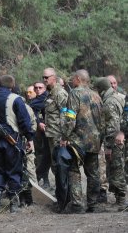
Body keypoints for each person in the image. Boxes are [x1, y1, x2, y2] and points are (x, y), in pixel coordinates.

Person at [0, 75, 34, 213]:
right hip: (12, 141)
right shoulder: (16, 99)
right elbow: (24, 121)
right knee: (14, 171)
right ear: (12, 85)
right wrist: (30, 138)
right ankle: (13, 205)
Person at [60, 69, 102, 214]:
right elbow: (102, 120)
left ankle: (77, 204)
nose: (71, 81)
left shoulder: (74, 94)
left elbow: (70, 119)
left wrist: (64, 136)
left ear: (78, 79)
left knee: (73, 170)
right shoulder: (97, 96)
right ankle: (93, 204)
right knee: (93, 173)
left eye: (72, 78)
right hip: (95, 141)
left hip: (78, 141)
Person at [94, 77, 126, 210]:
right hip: (118, 139)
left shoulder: (109, 102)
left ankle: (122, 201)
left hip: (114, 142)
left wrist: (108, 147)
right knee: (116, 169)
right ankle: (120, 199)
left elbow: (112, 126)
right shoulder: (116, 97)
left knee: (116, 170)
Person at [42, 68, 68, 175]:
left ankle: (65, 191)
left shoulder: (60, 93)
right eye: (43, 77)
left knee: (60, 165)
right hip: (51, 134)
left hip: (58, 135)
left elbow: (66, 116)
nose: (44, 80)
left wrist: (64, 137)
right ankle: (60, 189)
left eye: (46, 77)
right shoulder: (50, 93)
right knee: (55, 165)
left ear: (54, 77)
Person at [31, 82, 51, 189]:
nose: (38, 89)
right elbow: (32, 114)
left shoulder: (47, 98)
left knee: (47, 157)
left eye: (40, 87)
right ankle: (38, 178)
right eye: (36, 88)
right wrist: (38, 122)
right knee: (39, 156)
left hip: (48, 132)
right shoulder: (34, 101)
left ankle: (45, 178)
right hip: (37, 134)